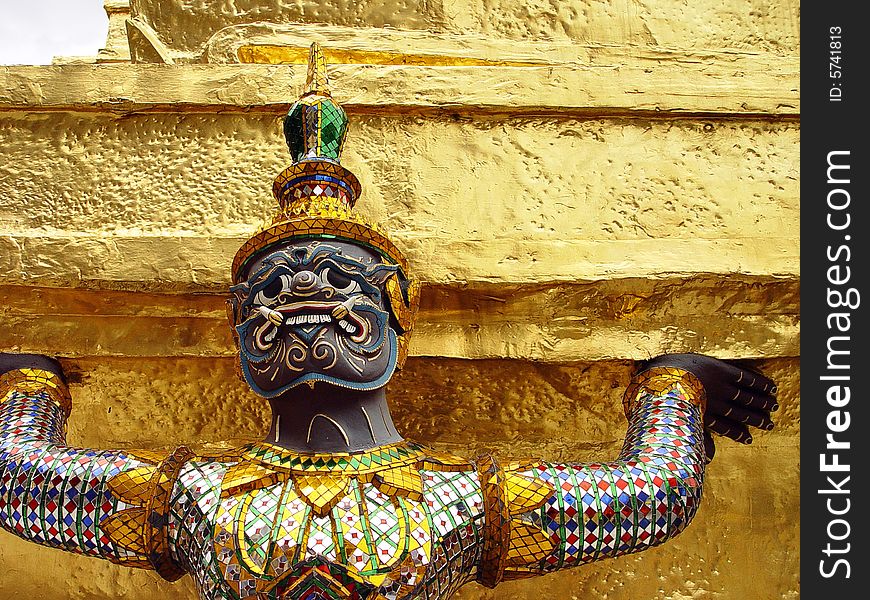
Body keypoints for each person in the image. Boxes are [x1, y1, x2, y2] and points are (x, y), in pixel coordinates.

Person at [0, 44, 776, 600]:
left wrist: (676, 388)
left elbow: (650, 497)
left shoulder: (465, 498)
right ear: (238, 331)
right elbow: (18, 480)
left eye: (340, 283)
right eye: (271, 292)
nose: (301, 298)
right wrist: (24, 380)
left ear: (398, 318)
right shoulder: (198, 495)